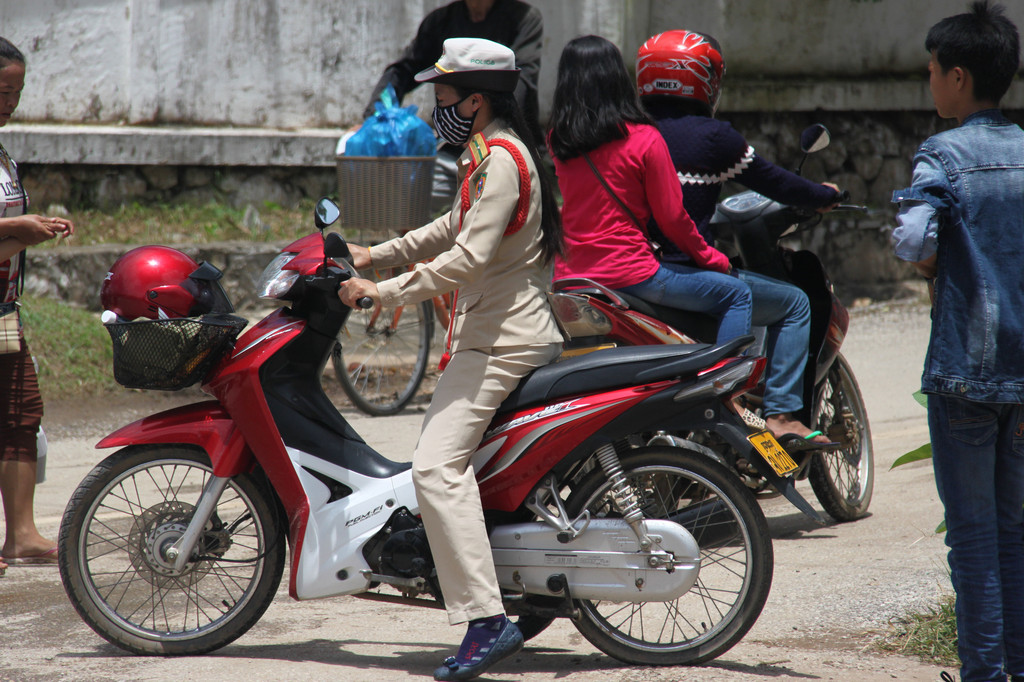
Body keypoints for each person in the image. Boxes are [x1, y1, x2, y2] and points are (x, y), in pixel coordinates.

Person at [340, 38, 563, 681]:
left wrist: (381, 290)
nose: (435, 109)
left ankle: (484, 619)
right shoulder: (489, 156)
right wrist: (373, 253)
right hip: (498, 332)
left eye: (441, 98)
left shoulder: (499, 160)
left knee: (436, 471)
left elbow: (466, 260)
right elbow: (448, 230)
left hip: (499, 341)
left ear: (476, 99)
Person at [891, 3, 1024, 680]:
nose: (931, 81)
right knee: (1014, 530)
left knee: (971, 535)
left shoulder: (943, 154)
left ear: (959, 76)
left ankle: (983, 672)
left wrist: (926, 261)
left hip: (965, 374)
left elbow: (915, 238)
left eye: (934, 71)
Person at [635, 30, 840, 445]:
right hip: (682, 273)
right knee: (796, 303)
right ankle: (780, 415)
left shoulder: (629, 131)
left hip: (628, 271)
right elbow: (777, 183)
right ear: (703, 81)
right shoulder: (713, 138)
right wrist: (824, 196)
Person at [548, 35, 751, 347]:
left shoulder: (558, 141)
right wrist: (711, 258)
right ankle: (731, 384)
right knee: (738, 294)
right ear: (617, 78)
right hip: (631, 273)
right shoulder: (645, 138)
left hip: (569, 277)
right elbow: (672, 218)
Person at [0, 37, 75, 575]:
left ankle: (21, 536)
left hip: (3, 309)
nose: (11, 100)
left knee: (20, 415)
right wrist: (17, 229)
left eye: (17, 91)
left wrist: (31, 230)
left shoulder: (3, 152)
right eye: (3, 89)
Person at [362, 0, 544, 211]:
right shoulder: (440, 22)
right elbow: (404, 70)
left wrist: (485, 130)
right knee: (408, 197)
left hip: (501, 142)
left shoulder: (523, 19)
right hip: (450, 152)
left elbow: (521, 82)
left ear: (477, 102)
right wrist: (374, 118)